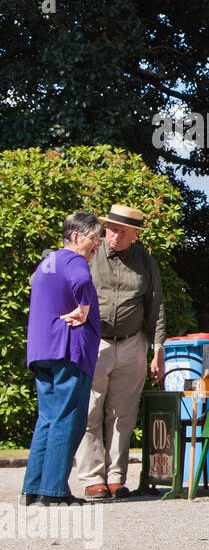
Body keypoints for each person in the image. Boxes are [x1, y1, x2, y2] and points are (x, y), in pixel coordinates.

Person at [73, 204, 167, 499]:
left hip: (131, 343)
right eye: (111, 228)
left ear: (135, 235)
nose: (113, 235)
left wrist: (158, 349)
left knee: (123, 414)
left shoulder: (145, 261)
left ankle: (116, 476)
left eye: (122, 231)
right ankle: (91, 476)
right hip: (93, 341)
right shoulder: (90, 253)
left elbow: (157, 306)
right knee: (89, 410)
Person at [23, 212, 103, 507]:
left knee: (47, 418)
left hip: (43, 350)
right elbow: (81, 281)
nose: (97, 244)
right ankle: (54, 491)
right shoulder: (73, 261)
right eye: (93, 238)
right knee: (69, 418)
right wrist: (84, 308)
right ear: (75, 237)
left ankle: (33, 489)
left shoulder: (48, 262)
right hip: (68, 350)